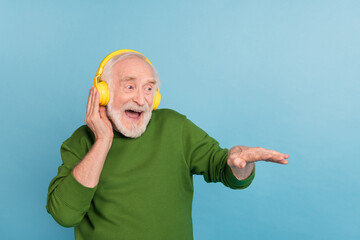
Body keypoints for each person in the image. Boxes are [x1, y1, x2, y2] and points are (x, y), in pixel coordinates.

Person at [46, 50, 289, 240]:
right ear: (103, 92)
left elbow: (223, 168)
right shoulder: (80, 141)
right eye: (130, 86)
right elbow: (65, 215)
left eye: (149, 88)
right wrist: (102, 141)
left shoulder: (175, 127)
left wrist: (240, 162)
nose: (141, 99)